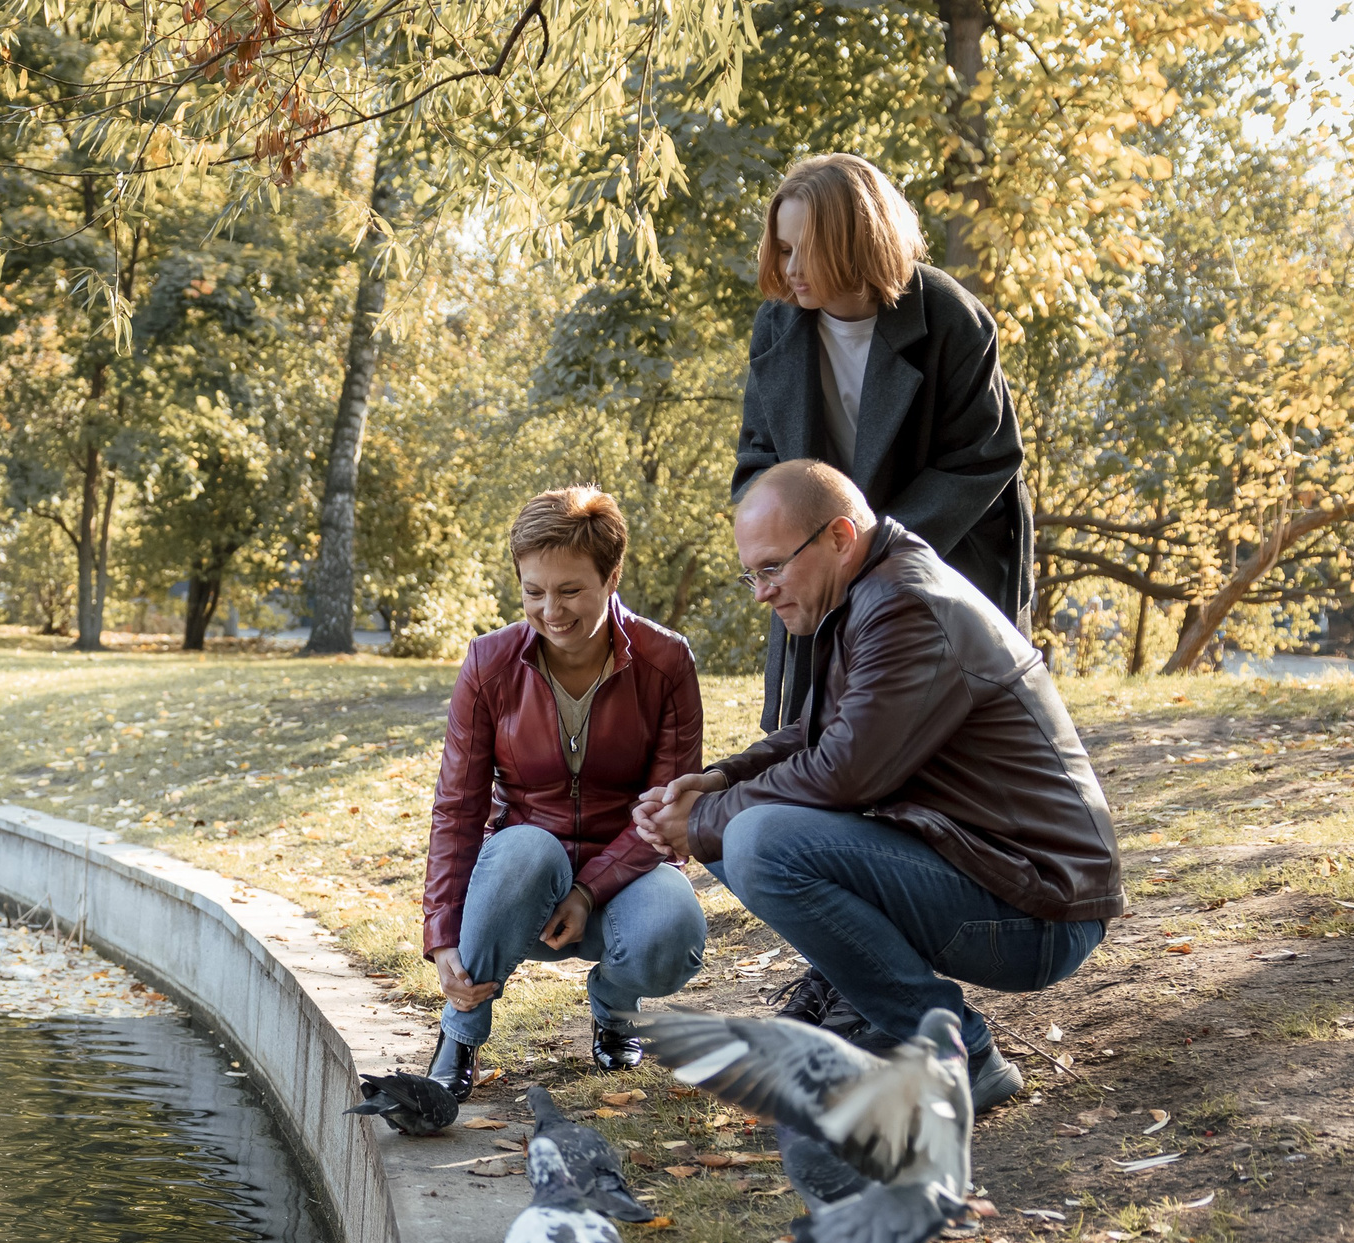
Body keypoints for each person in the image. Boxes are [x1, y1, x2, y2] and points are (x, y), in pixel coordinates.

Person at [632, 461, 1123, 1112]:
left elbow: (844, 772)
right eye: (751, 573)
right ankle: (874, 1014)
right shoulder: (870, 587)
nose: (761, 593)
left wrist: (701, 819)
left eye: (772, 568)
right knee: (737, 826)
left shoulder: (906, 604)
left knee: (752, 839)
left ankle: (952, 1053)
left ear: (838, 536)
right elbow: (817, 735)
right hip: (986, 872)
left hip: (1037, 908)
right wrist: (717, 780)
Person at [735, 152, 1038, 1041]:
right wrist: (785, 548)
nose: (787, 269)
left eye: (804, 249)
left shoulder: (946, 315)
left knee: (912, 776)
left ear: (853, 238)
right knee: (824, 761)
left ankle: (883, 980)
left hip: (938, 572)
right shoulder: (777, 330)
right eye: (779, 249)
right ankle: (840, 971)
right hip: (816, 574)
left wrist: (875, 552)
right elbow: (756, 459)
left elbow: (986, 458)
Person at [420, 487, 708, 1095]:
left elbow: (665, 815)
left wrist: (588, 889)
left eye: (570, 590)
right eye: (533, 591)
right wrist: (442, 934)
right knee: (525, 849)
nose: (551, 610)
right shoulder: (488, 664)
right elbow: (459, 808)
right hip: (522, 888)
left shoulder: (666, 663)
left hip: (624, 882)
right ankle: (461, 1032)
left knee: (673, 928)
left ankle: (613, 1008)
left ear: (612, 575)